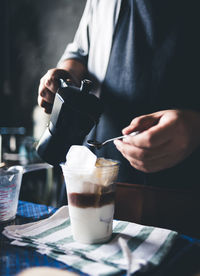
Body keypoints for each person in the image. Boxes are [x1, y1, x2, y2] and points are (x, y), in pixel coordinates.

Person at [38, 0, 200, 236]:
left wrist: (195, 127)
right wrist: (66, 75)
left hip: (183, 189)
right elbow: (81, 51)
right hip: (95, 169)